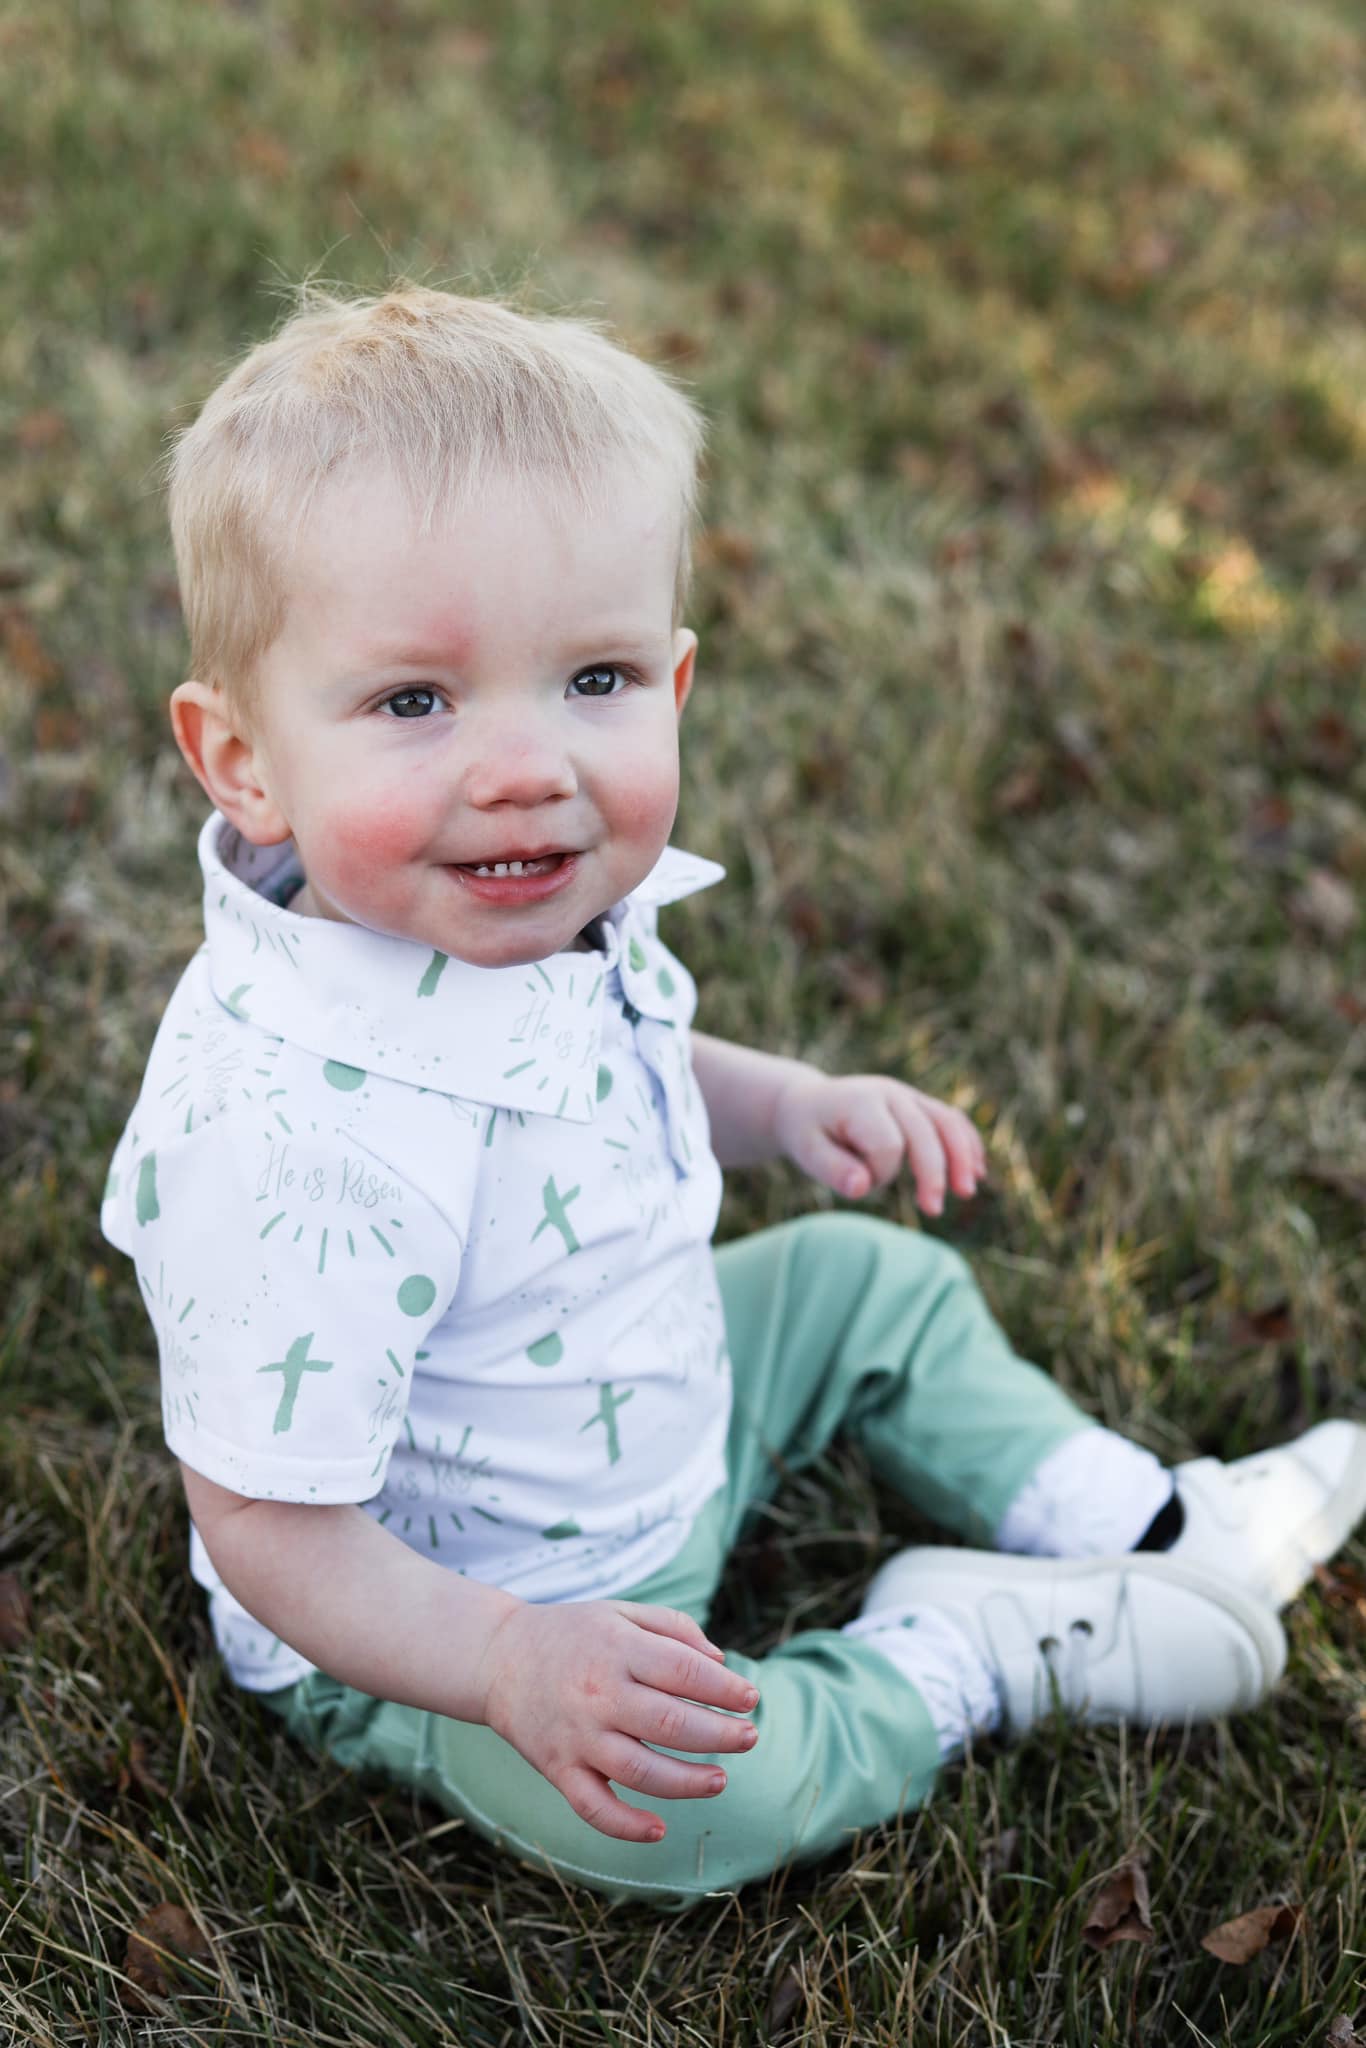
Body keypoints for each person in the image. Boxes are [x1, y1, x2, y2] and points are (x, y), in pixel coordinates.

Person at [102, 287, 1366, 1908]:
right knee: (689, 1815)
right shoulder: (292, 1146)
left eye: (595, 679)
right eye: (415, 701)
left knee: (866, 1282)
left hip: (664, 1402)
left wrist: (780, 1106)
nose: (523, 765)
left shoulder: (500, 905)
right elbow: (277, 1528)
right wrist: (504, 1660)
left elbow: (579, 1062)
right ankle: (955, 1648)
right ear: (243, 759)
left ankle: (1151, 1527)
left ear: (675, 684)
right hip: (450, 1614)